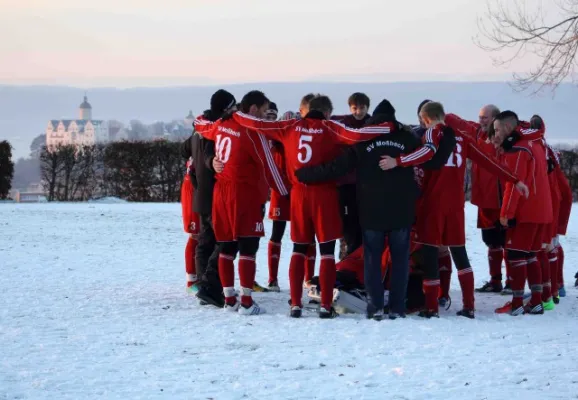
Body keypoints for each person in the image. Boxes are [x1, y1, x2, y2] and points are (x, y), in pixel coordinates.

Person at [230, 94, 395, 318]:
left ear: (306, 111)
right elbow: (358, 134)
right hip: (325, 194)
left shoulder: (290, 125)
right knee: (326, 251)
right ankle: (326, 305)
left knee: (299, 248)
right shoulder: (331, 127)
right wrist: (388, 127)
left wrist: (235, 115)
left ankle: (295, 304)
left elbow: (258, 124)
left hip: (298, 195)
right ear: (327, 112)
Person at [380, 102, 528, 319]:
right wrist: (514, 180)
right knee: (459, 253)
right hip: (456, 205)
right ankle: (469, 305)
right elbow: (488, 160)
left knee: (430, 253)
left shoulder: (432, 134)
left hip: (433, 204)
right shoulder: (462, 138)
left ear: (425, 118)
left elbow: (425, 153)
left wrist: (397, 161)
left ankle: (431, 307)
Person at [295, 99, 420, 320]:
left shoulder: (364, 138)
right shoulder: (408, 138)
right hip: (401, 209)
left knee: (371, 259)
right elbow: (427, 156)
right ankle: (398, 307)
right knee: (400, 260)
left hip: (371, 209)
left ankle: (375, 307)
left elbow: (338, 166)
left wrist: (306, 174)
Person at [194, 90, 289, 316]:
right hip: (244, 194)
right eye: (265, 111)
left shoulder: (221, 124)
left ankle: (229, 299)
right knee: (248, 246)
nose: (266, 116)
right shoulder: (252, 132)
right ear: (254, 109)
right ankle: (246, 301)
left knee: (226, 245)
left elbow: (200, 124)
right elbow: (269, 166)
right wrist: (286, 192)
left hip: (221, 193)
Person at [445, 105, 514, 294]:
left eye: (485, 118)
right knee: (490, 241)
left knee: (508, 241)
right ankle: (495, 281)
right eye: (480, 117)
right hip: (484, 199)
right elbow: (459, 122)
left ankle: (511, 281)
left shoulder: (508, 139)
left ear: (496, 119)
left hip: (503, 199)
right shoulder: (477, 133)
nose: (482, 121)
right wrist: (440, 114)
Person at [490, 111, 552, 315]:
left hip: (526, 210)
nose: (495, 133)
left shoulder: (518, 148)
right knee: (531, 254)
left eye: (498, 129)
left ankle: (516, 303)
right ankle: (535, 300)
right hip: (541, 208)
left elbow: (514, 182)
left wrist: (506, 213)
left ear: (508, 128)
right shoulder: (535, 142)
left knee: (515, 254)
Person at [181, 89, 237, 308]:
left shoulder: (198, 129)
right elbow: (210, 158)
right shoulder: (217, 130)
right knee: (221, 240)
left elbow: (183, 150)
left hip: (200, 193)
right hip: (216, 192)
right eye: (233, 107)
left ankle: (204, 287)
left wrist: (193, 171)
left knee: (205, 241)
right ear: (226, 108)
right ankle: (209, 286)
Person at [331, 93, 372, 258]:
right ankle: (345, 260)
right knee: (347, 227)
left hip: (366, 185)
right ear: (350, 108)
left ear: (367, 108)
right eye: (355, 108)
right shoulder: (344, 123)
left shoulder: (373, 123)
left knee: (364, 227)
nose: (358, 112)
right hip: (346, 184)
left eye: (362, 108)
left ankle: (360, 263)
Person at [181, 157, 200, 294]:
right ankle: (191, 281)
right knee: (195, 234)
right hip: (193, 188)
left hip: (199, 188)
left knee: (204, 234)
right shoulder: (200, 137)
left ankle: (199, 277)